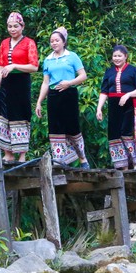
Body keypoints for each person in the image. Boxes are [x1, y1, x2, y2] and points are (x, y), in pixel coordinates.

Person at [35, 27, 90, 169]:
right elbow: (46, 83)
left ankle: (83, 159)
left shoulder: (72, 56)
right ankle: (60, 162)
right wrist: (39, 102)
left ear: (63, 42)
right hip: (54, 96)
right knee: (55, 129)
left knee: (72, 127)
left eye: (57, 40)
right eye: (51, 41)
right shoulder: (47, 60)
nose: (54, 43)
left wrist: (69, 83)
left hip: (69, 94)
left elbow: (83, 76)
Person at [0, 12, 39, 162]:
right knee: (3, 115)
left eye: (15, 26)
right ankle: (8, 153)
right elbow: (0, 68)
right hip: (6, 83)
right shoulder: (4, 43)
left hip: (21, 83)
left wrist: (14, 66)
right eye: (10, 26)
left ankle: (22, 155)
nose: (12, 29)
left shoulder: (29, 43)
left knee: (20, 115)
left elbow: (34, 67)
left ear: (22, 26)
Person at [96, 45, 136, 171]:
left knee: (126, 132)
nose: (116, 58)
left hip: (129, 105)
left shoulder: (133, 70)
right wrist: (99, 108)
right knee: (114, 134)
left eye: (119, 56)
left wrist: (128, 94)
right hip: (113, 105)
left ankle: (135, 162)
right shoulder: (109, 72)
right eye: (114, 56)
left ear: (125, 57)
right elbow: (104, 91)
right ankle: (121, 166)